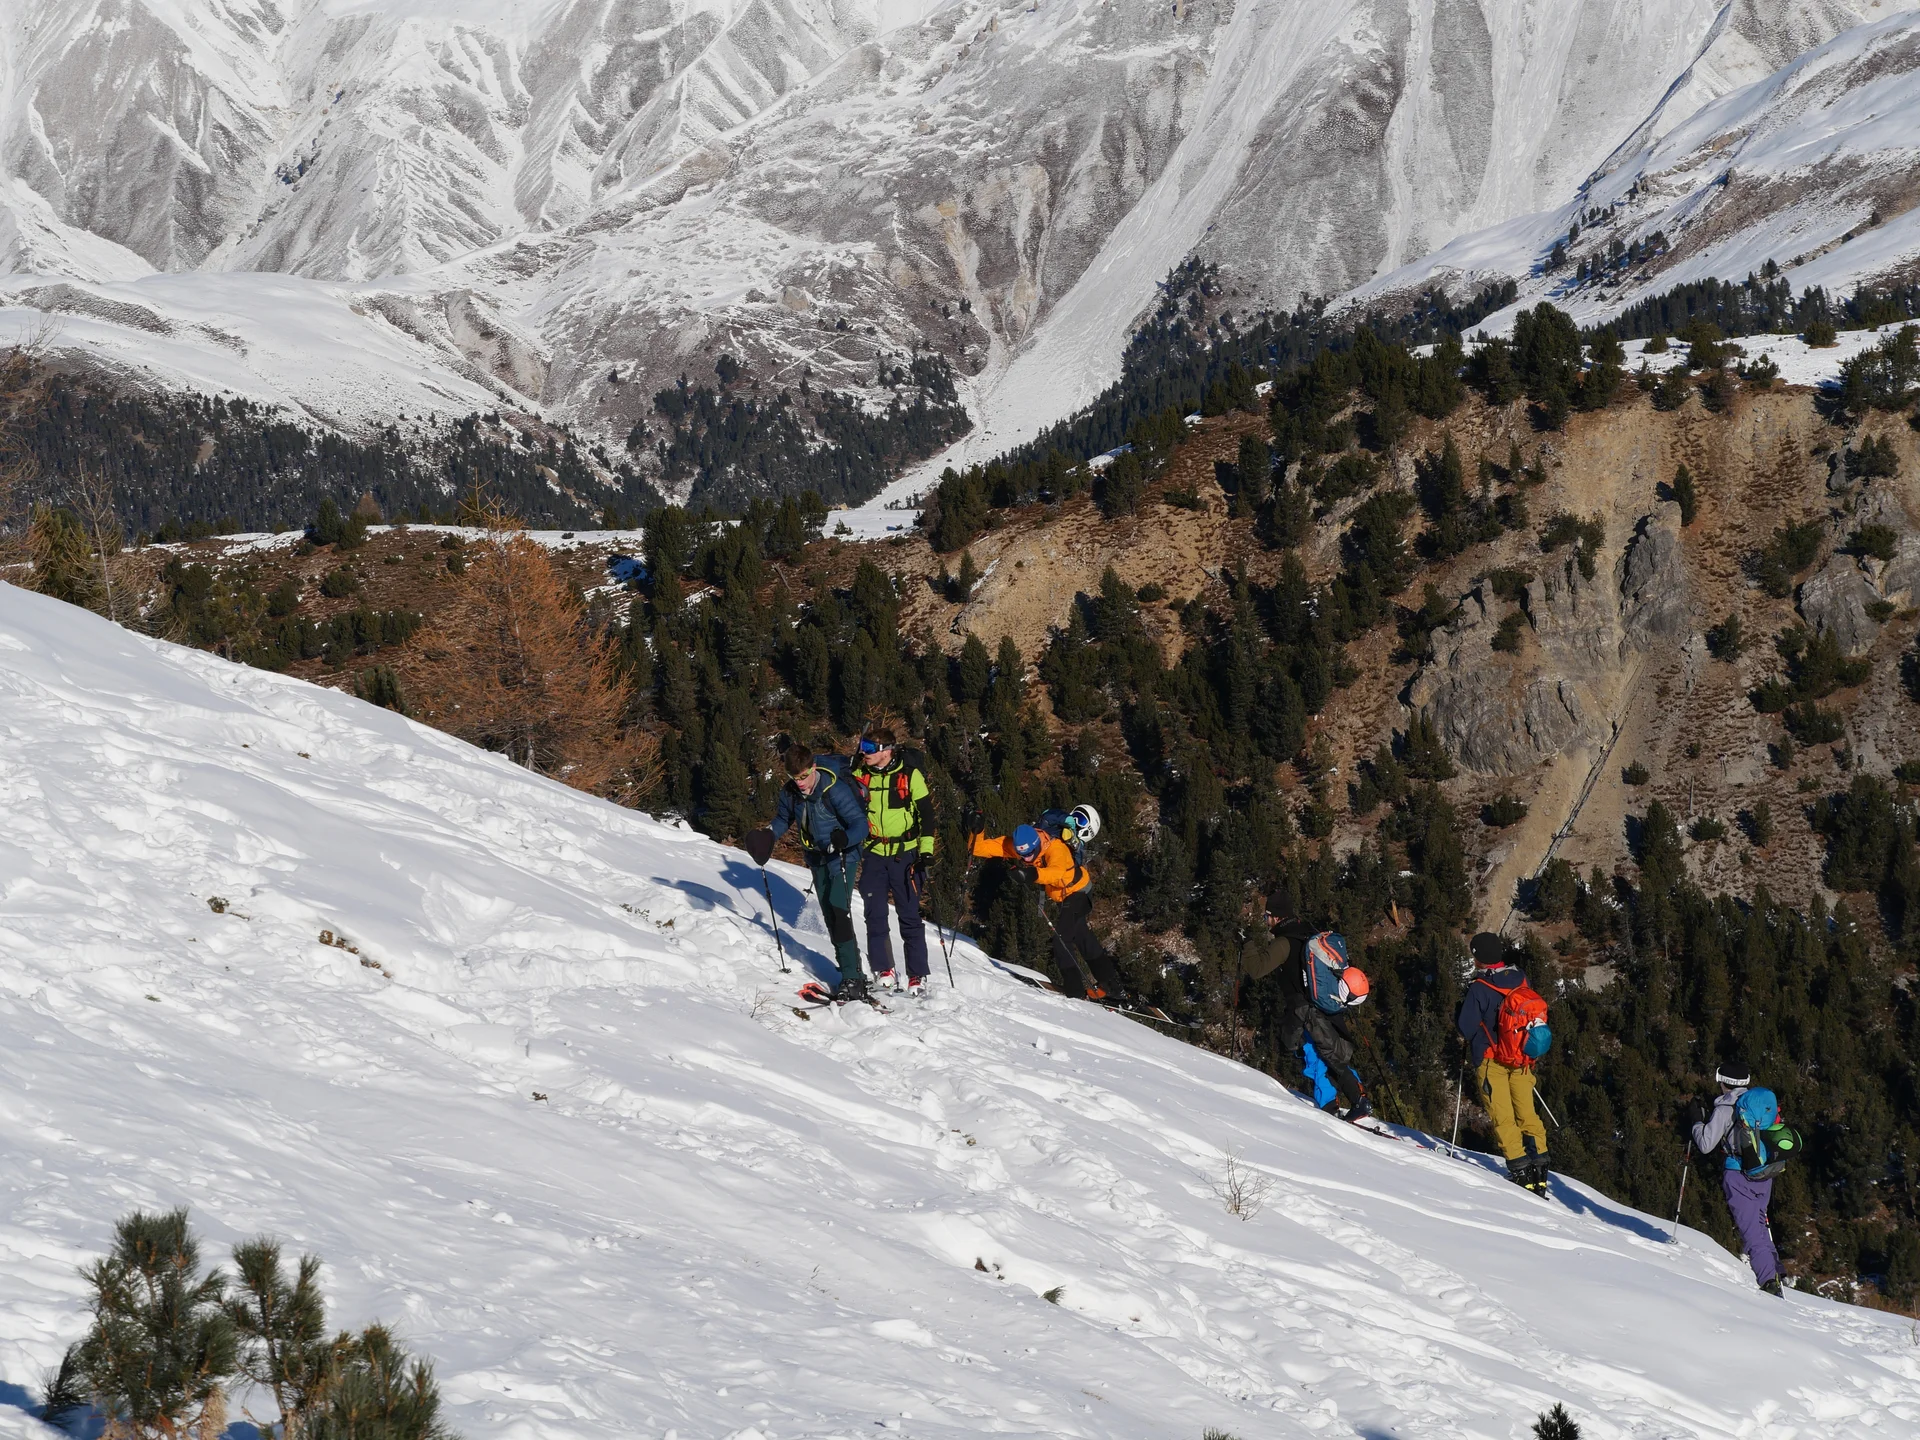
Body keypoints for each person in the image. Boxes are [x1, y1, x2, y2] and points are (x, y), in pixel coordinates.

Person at [745, 744, 870, 1001]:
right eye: (794, 777)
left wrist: (844, 838)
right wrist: (769, 835)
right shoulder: (790, 793)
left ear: (813, 767)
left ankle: (853, 978)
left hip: (843, 856)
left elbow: (861, 825)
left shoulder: (833, 790)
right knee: (829, 913)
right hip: (816, 858)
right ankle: (849, 968)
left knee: (839, 910)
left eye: (803, 776)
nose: (800, 783)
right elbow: (782, 819)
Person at [969, 819, 1127, 1003]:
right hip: (1063, 897)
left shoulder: (1056, 848)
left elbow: (1056, 873)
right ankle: (1112, 986)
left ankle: (1075, 992)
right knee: (1082, 937)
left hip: (1078, 891)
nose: (1026, 859)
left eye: (1029, 854)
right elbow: (978, 849)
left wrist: (1032, 874)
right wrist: (977, 830)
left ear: (1037, 844)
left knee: (1061, 939)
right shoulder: (1020, 847)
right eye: (1022, 855)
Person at [1252, 895, 1372, 1121]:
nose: (1265, 920)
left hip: (1304, 1009)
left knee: (1323, 1055)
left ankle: (1349, 1101)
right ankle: (1342, 1100)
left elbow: (1256, 969)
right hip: (1323, 1004)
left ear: (1277, 917)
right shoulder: (1308, 930)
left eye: (1267, 916)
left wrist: (1247, 945)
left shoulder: (1284, 941)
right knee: (1322, 1053)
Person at [1457, 932, 1551, 1194]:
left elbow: (1466, 1027)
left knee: (1503, 1117)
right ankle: (1540, 1169)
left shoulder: (1479, 988)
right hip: (1522, 1059)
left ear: (1479, 957)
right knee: (1527, 1114)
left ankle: (1520, 1171)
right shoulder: (1520, 977)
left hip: (1491, 1060)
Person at [1689, 1058, 1785, 1296]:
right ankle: (1775, 1271)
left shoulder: (1724, 1109)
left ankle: (1769, 1284)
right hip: (1764, 1172)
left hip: (1738, 1174)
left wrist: (1695, 1121)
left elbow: (1705, 1144)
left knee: (1751, 1231)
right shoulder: (1759, 1104)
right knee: (1760, 1222)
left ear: (1723, 1082)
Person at [851, 728, 935, 993]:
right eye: (862, 745)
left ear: (886, 751)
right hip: (874, 852)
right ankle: (883, 968)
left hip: (905, 854)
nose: (864, 751)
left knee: (909, 914)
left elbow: (926, 814)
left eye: (869, 747)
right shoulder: (860, 775)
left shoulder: (910, 776)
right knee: (874, 912)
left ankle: (917, 974)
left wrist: (926, 850)